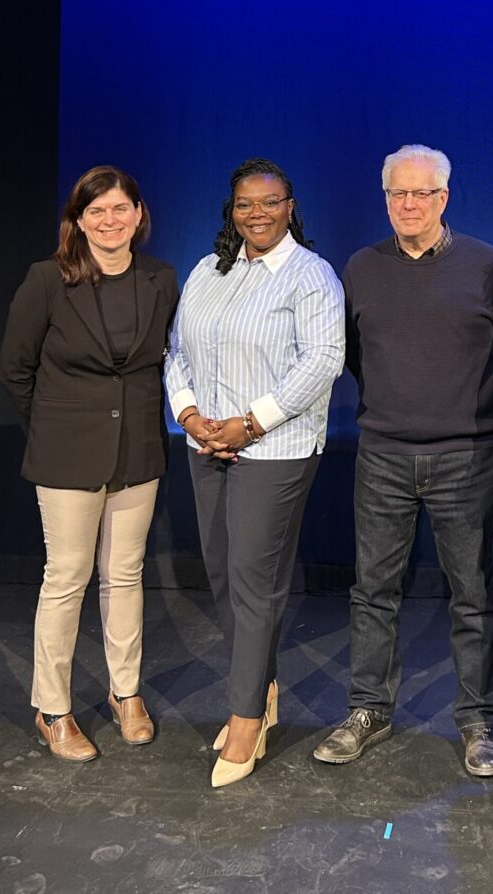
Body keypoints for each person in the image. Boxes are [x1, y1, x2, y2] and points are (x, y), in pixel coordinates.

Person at [312, 144, 493, 776]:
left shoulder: (488, 266)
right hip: (383, 455)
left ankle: (477, 722)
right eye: (398, 194)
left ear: (444, 198)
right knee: (373, 590)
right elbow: (351, 353)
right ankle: (369, 710)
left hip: (468, 457)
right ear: (385, 198)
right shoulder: (360, 268)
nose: (409, 204)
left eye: (422, 194)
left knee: (474, 594)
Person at [165, 158, 344, 788]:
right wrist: (188, 412)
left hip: (275, 448)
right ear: (231, 210)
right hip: (206, 444)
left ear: (290, 206)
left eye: (270, 202)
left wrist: (250, 422)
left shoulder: (310, 276)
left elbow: (323, 361)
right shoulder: (207, 272)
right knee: (221, 574)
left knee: (253, 580)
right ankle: (261, 689)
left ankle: (246, 720)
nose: (257, 213)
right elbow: (177, 351)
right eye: (245, 203)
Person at [0, 166, 179, 761]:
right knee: (67, 577)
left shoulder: (159, 277)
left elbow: (160, 365)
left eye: (120, 208)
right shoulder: (47, 280)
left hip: (138, 454)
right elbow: (16, 370)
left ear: (138, 214)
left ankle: (127, 695)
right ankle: (53, 708)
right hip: (67, 455)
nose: (109, 220)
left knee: (125, 575)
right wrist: (57, 428)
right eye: (95, 211)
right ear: (77, 220)